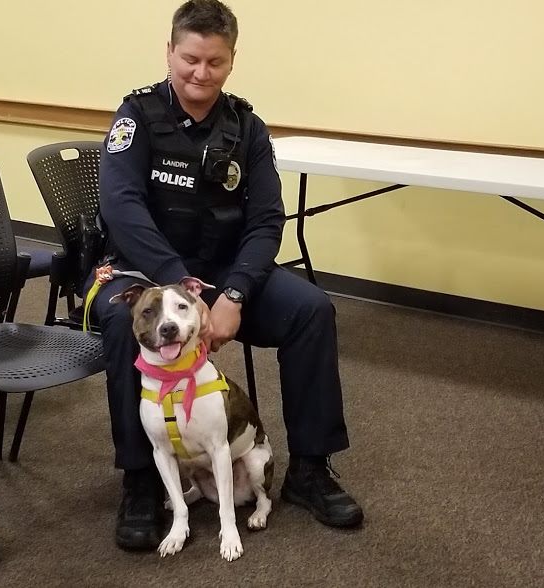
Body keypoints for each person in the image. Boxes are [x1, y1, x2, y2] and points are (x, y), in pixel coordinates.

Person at [90, 0, 363, 551]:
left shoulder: (248, 127)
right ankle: (142, 480)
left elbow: (265, 221)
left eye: (214, 62)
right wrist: (180, 291)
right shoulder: (136, 117)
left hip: (221, 274)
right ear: (170, 52)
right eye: (189, 59)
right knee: (125, 329)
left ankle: (310, 469)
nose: (200, 72)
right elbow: (122, 207)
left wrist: (233, 294)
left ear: (231, 61)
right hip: (144, 274)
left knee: (311, 310)